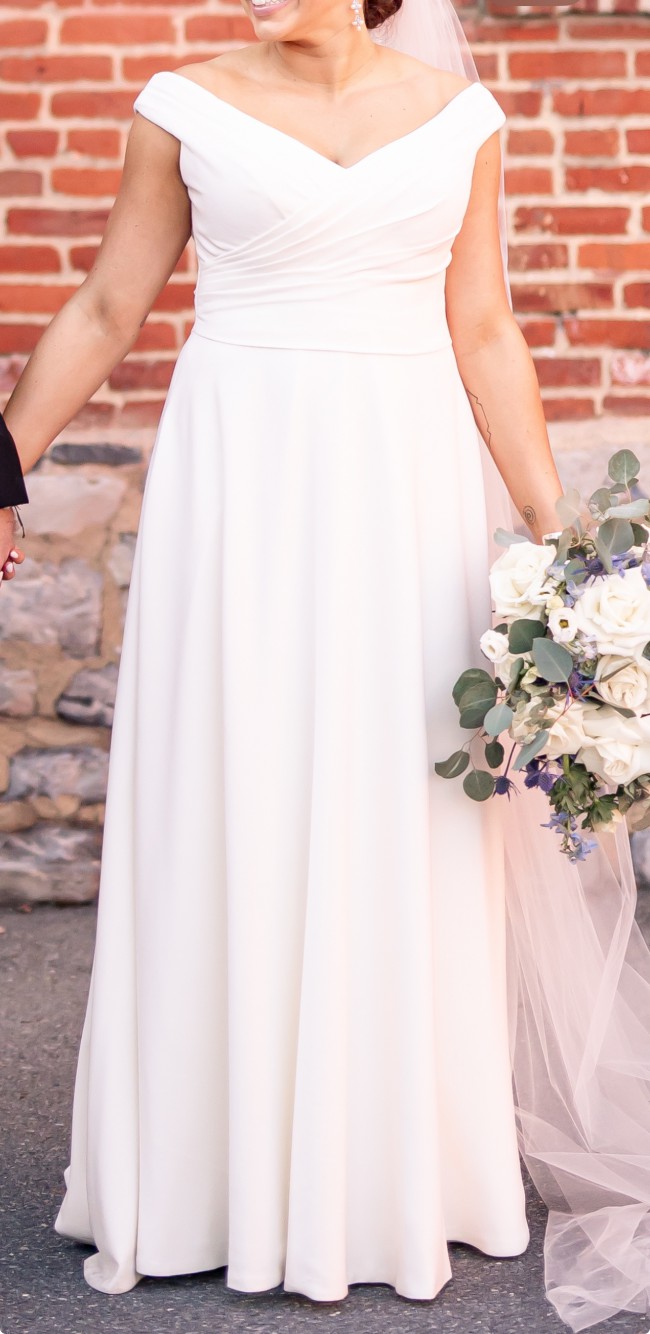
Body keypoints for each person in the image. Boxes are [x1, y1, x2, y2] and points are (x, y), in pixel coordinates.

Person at [2, 1, 650, 1330]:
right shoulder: (181, 105)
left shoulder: (462, 120)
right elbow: (110, 304)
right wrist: (2, 462)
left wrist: (564, 554)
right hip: (236, 483)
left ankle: (390, 1170)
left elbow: (484, 329)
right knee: (228, 791)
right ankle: (208, 1175)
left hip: (405, 490)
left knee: (394, 800)